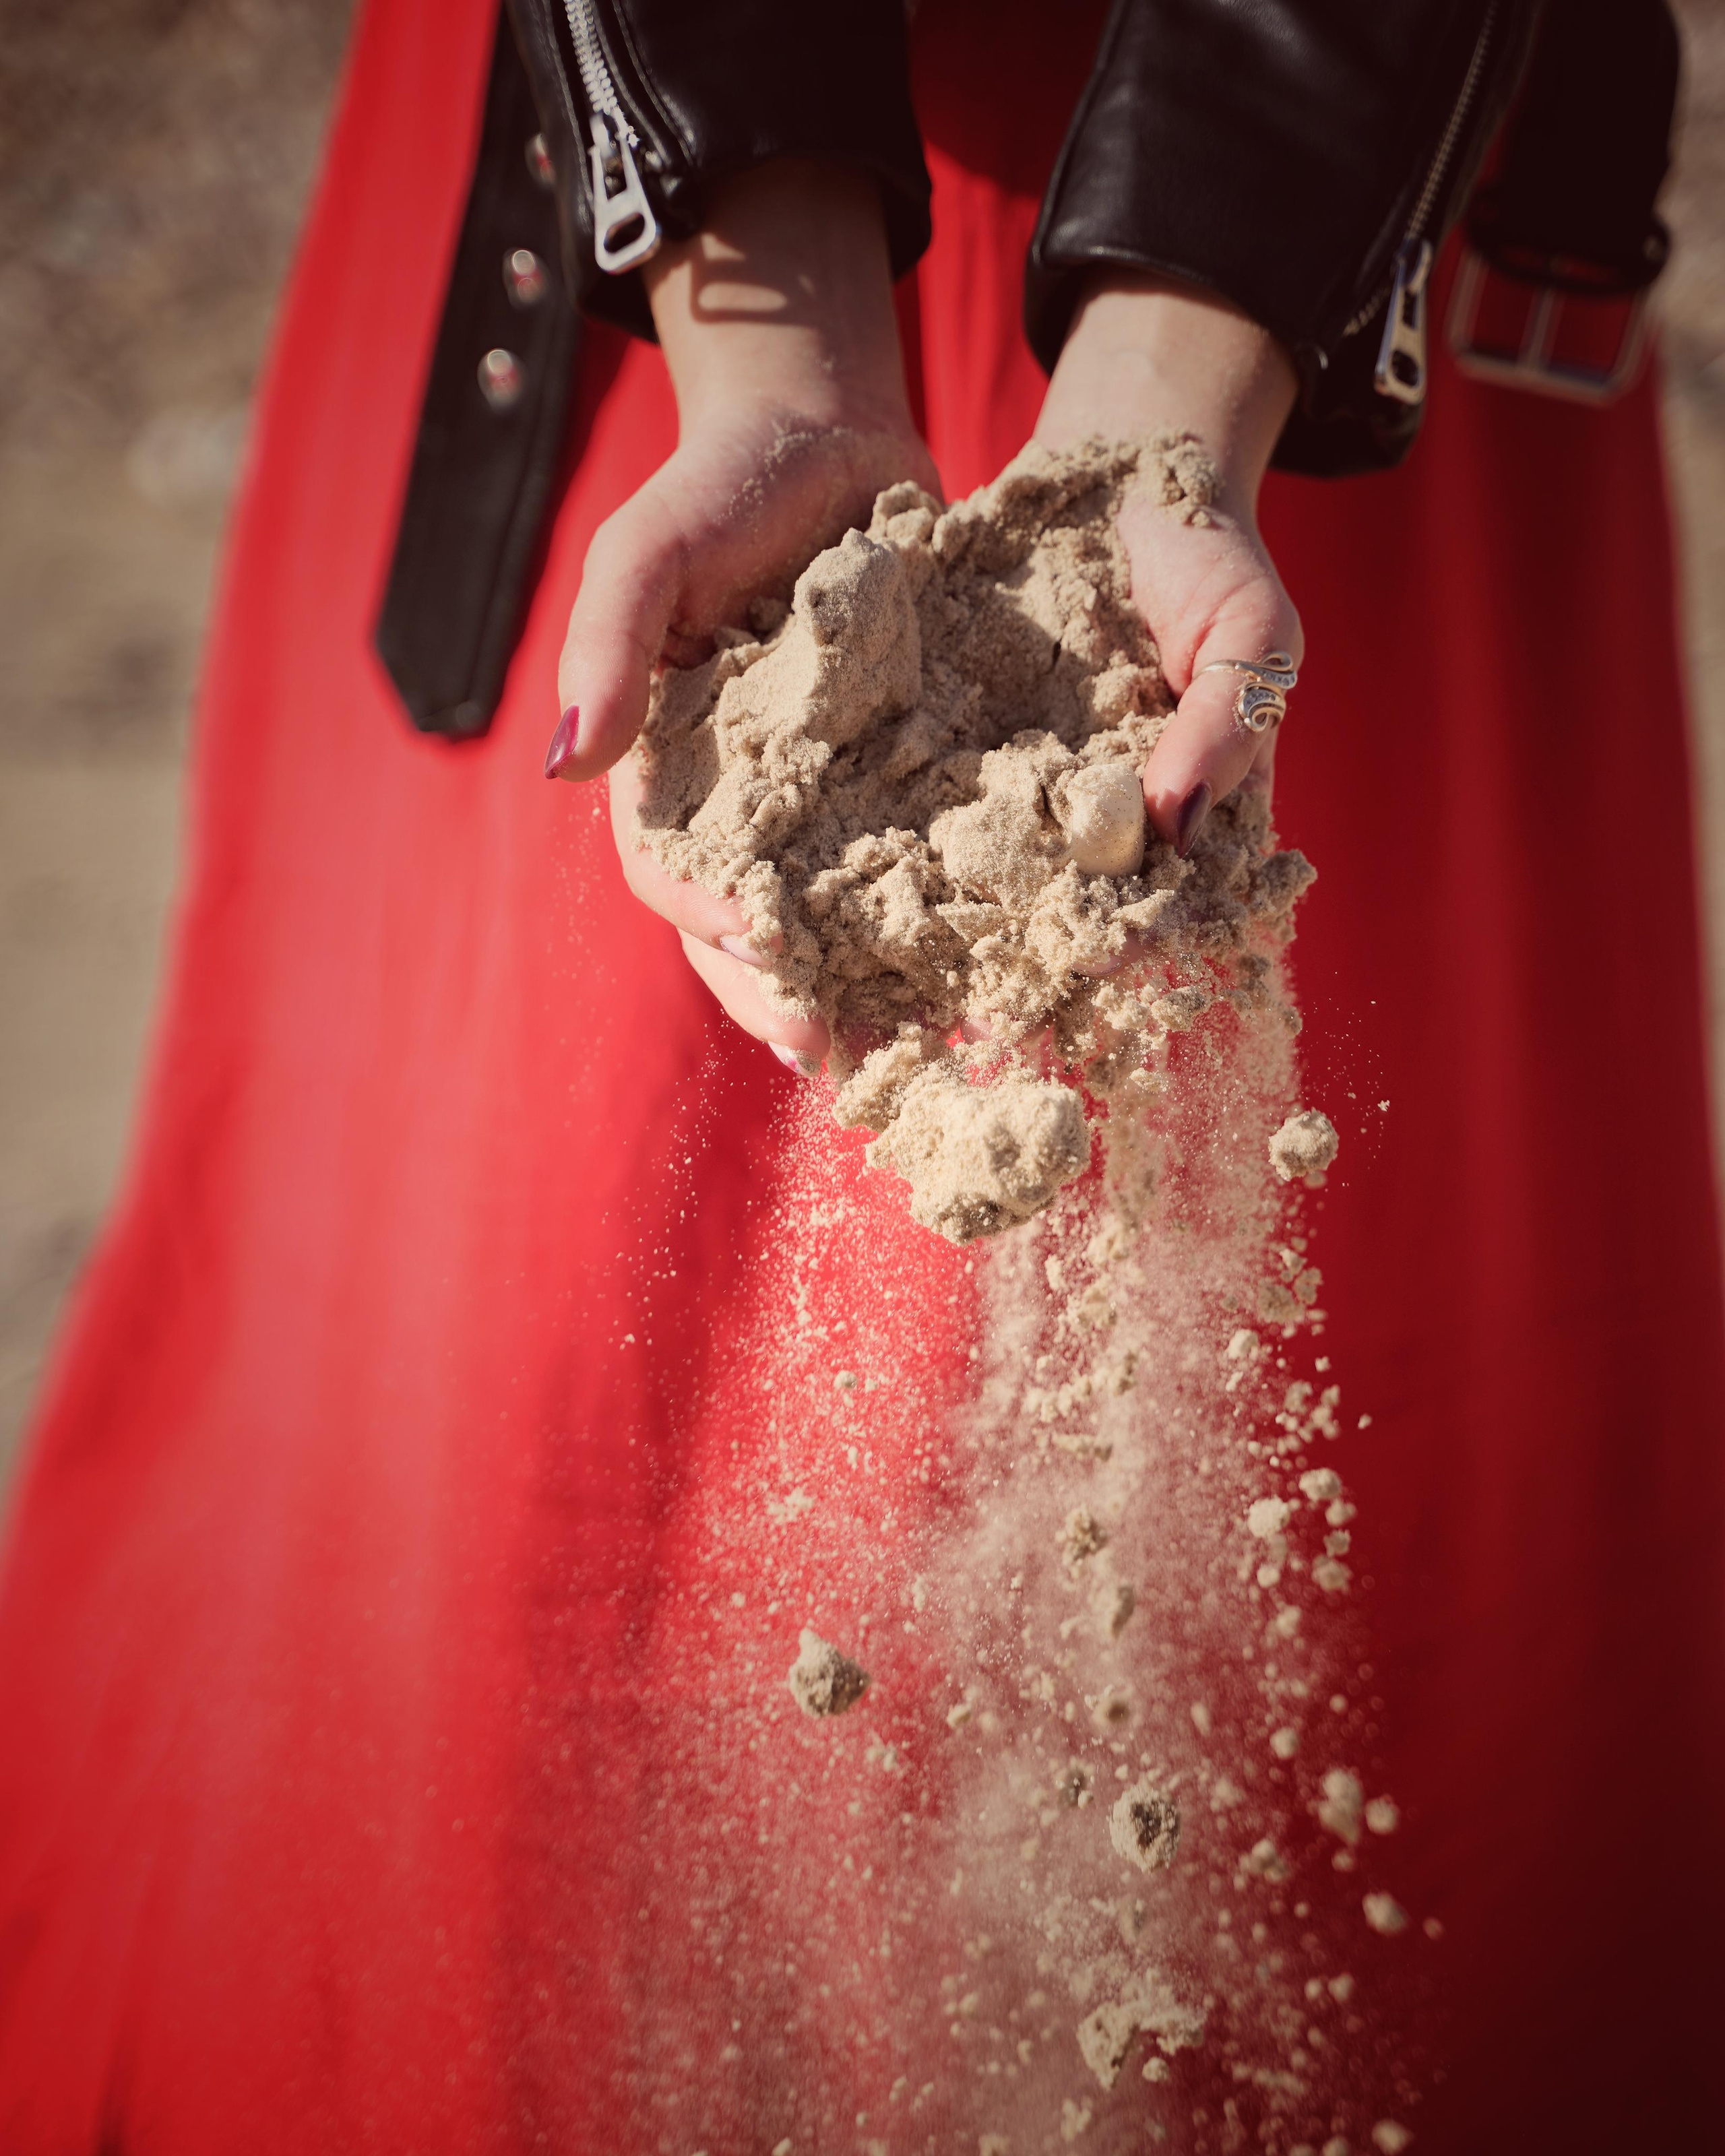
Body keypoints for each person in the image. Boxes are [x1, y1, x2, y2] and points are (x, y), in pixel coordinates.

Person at [1, 1, 1721, 2149]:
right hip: (676, 202)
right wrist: (767, 319)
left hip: (1310, 226)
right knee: (523, 1485)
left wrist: (1172, 391)